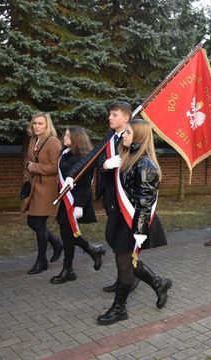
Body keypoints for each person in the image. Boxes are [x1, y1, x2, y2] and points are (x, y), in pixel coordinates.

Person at [97, 119, 171, 325]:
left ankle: (119, 308)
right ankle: (159, 283)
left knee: (125, 264)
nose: (124, 135)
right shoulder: (127, 158)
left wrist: (139, 230)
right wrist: (107, 167)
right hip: (123, 219)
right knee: (128, 261)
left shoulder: (146, 164)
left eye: (128, 132)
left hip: (136, 221)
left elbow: (145, 201)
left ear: (138, 136)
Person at [63, 101, 141, 293]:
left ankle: (132, 279)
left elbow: (142, 160)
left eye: (114, 114)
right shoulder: (110, 136)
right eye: (110, 114)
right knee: (114, 239)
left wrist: (123, 161)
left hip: (127, 197)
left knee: (124, 241)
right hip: (110, 196)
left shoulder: (134, 136)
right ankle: (123, 278)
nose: (109, 117)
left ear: (126, 117)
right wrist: (71, 175)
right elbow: (90, 158)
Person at [51, 127, 106, 284]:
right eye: (65, 134)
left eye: (68, 135)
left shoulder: (83, 157)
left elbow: (85, 184)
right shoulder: (65, 153)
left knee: (68, 234)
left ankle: (69, 269)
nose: (64, 137)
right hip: (66, 200)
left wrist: (79, 205)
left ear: (77, 138)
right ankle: (92, 251)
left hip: (75, 201)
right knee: (67, 233)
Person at [21, 112, 63, 275]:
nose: (37, 126)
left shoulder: (53, 142)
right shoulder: (33, 140)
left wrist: (34, 167)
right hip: (34, 187)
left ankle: (41, 260)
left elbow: (55, 167)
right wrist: (28, 165)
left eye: (40, 124)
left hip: (47, 189)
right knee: (32, 223)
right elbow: (28, 160)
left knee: (38, 224)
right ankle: (57, 243)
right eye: (35, 123)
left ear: (47, 126)